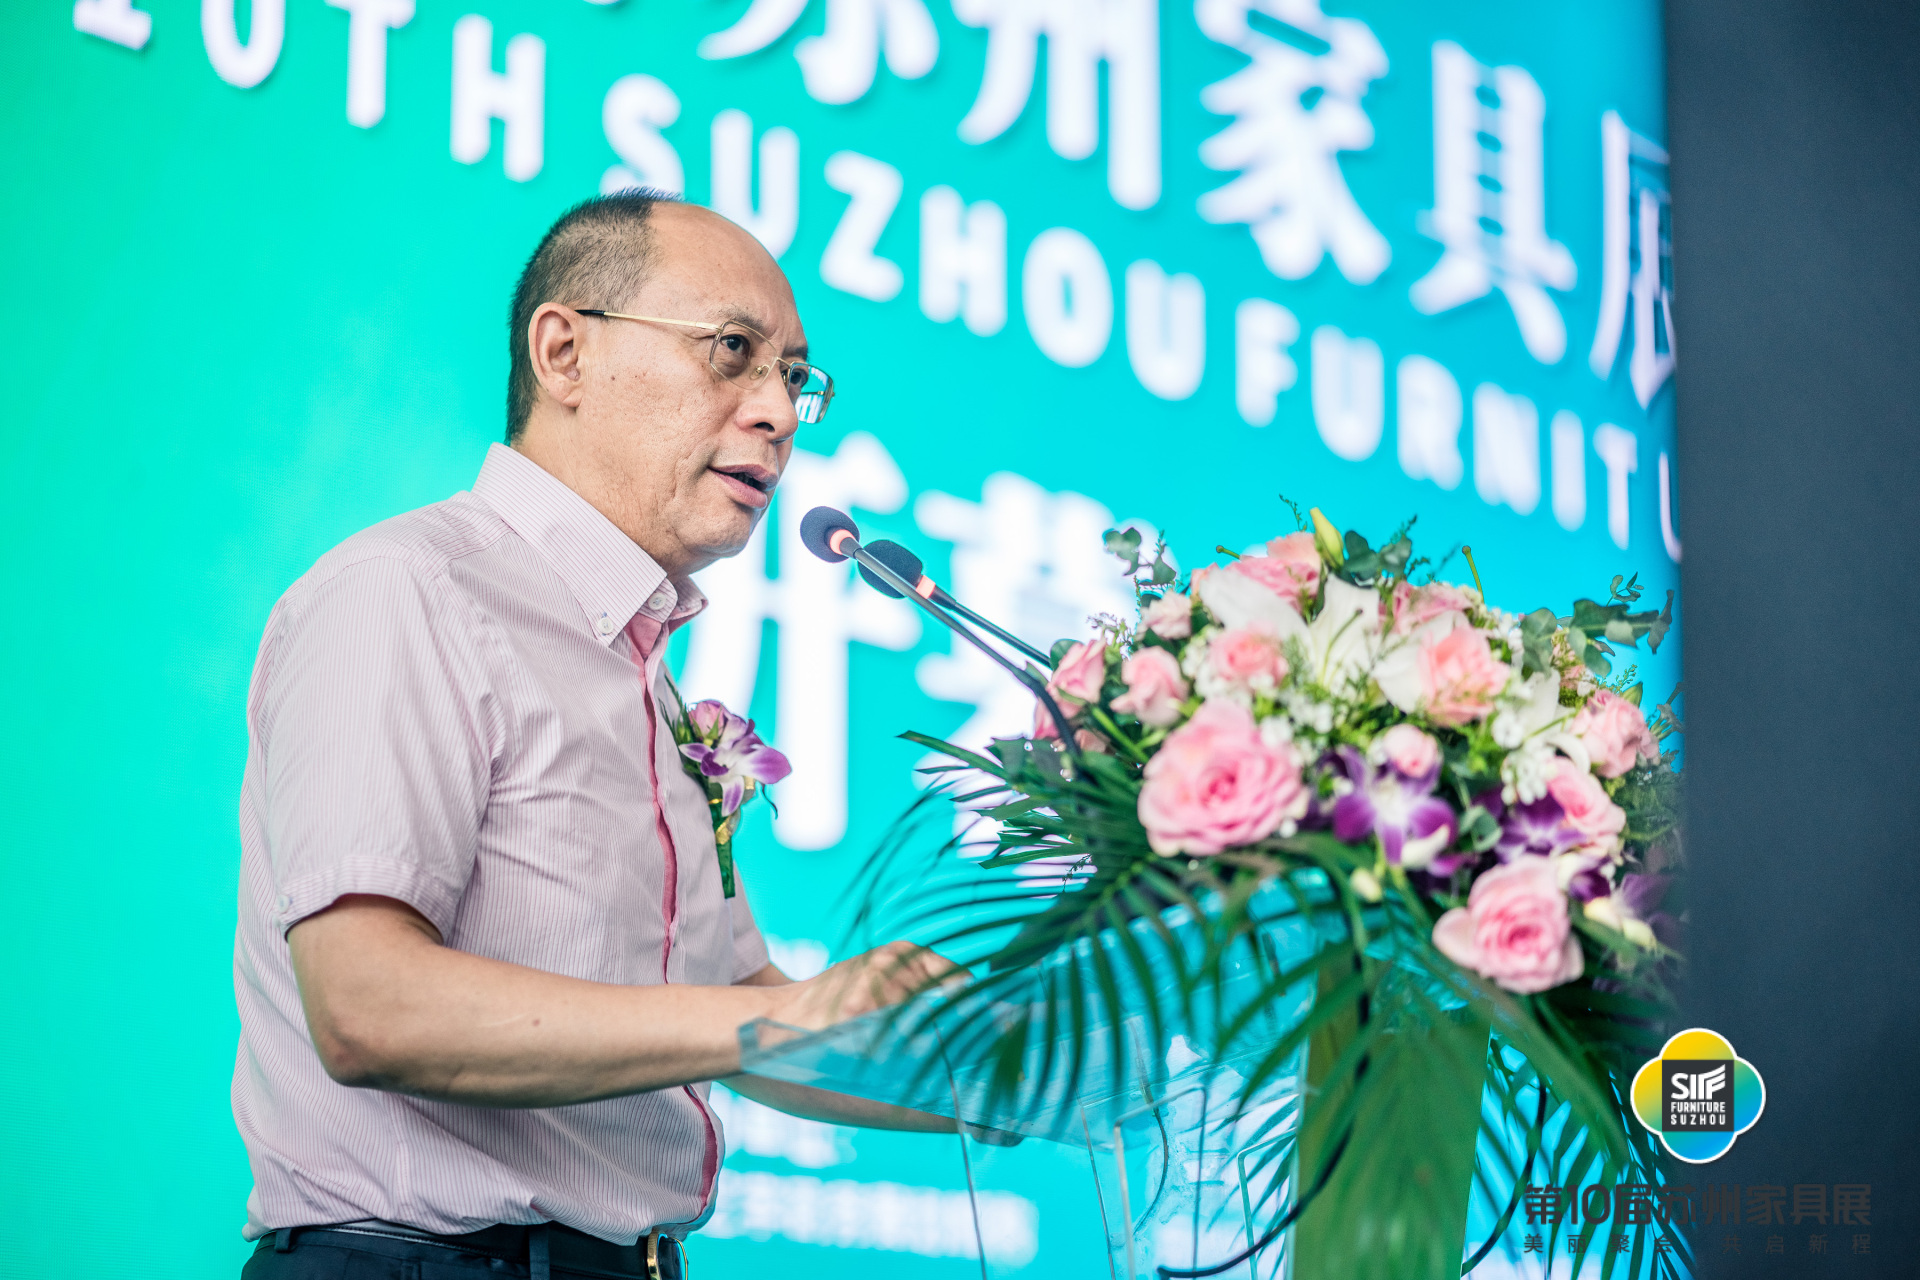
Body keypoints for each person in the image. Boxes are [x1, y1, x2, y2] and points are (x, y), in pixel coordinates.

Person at [232, 192, 957, 1280]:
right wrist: (785, 1017)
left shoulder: (650, 682)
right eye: (733, 351)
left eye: (796, 378)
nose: (779, 412)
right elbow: (368, 1008)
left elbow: (748, 1012)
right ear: (563, 352)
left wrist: (1011, 1077)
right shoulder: (409, 591)